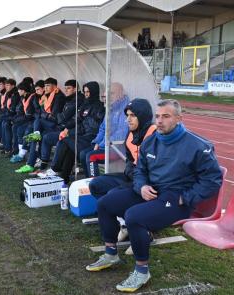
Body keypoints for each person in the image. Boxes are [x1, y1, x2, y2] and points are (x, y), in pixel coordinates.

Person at [86, 99, 222, 293]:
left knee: (134, 217)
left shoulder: (198, 145)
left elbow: (212, 180)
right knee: (106, 203)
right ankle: (110, 254)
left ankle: (142, 271)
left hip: (176, 198)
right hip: (151, 191)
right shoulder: (151, 141)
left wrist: (185, 198)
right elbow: (140, 170)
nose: (159, 121)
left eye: (165, 116)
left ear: (179, 118)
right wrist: (141, 187)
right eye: (157, 116)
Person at [89, 98, 156, 242]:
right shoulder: (131, 133)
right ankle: (124, 223)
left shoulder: (155, 136)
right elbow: (130, 161)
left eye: (133, 115)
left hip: (147, 184)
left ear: (143, 115)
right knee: (96, 185)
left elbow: (154, 171)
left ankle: (143, 228)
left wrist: (135, 176)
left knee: (113, 195)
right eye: (127, 115)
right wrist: (130, 172)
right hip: (132, 176)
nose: (128, 120)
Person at [40, 81, 104, 183]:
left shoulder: (99, 107)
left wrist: (71, 131)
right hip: (82, 135)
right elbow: (77, 120)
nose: (86, 94)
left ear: (94, 92)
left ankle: (54, 169)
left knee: (65, 141)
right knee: (68, 146)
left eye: (88, 92)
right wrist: (68, 129)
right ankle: (63, 178)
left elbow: (92, 127)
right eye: (85, 92)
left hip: (90, 138)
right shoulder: (85, 105)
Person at [15, 79, 84, 173]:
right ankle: (35, 162)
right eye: (65, 88)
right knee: (37, 135)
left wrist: (48, 116)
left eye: (47, 86)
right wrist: (48, 115)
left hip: (60, 127)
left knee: (37, 128)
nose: (45, 88)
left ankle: (34, 161)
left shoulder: (61, 97)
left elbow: (59, 117)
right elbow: (40, 112)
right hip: (56, 125)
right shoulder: (47, 97)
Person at [83, 82, 130, 178]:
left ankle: (95, 184)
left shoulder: (125, 110)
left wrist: (101, 145)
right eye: (105, 96)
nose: (107, 98)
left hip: (119, 149)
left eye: (111, 93)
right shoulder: (111, 108)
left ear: (120, 94)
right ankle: (88, 182)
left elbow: (121, 135)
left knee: (91, 156)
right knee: (83, 154)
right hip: (107, 146)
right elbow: (102, 128)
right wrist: (96, 142)